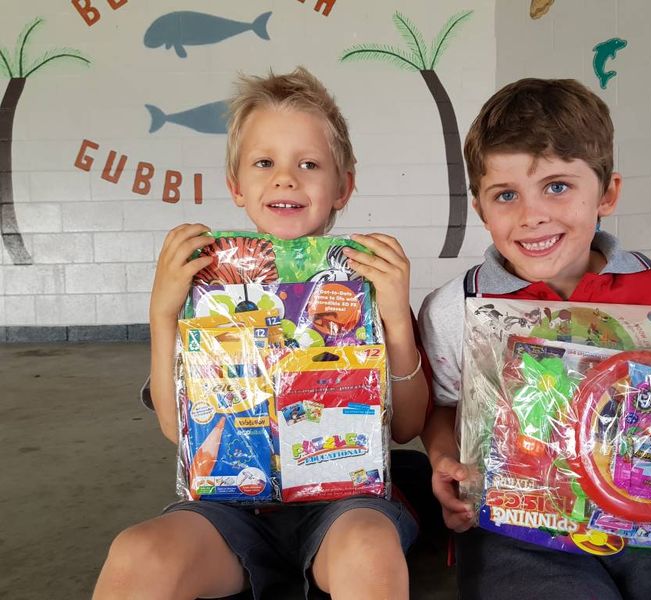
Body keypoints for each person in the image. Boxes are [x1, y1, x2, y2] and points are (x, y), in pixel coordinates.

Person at [94, 67, 429, 600]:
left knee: (369, 548)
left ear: (343, 185)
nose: (286, 178)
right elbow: (179, 432)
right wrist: (163, 315)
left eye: (310, 163)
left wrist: (395, 322)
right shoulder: (206, 285)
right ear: (236, 185)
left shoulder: (367, 281)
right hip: (228, 508)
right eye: (264, 162)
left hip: (345, 504)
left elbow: (408, 424)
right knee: (138, 554)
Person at [419, 77, 651, 599]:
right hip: (516, 525)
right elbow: (444, 408)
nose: (532, 215)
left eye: (558, 186)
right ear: (481, 207)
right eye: (506, 195)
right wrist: (441, 462)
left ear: (607, 193)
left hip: (642, 519)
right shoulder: (456, 309)